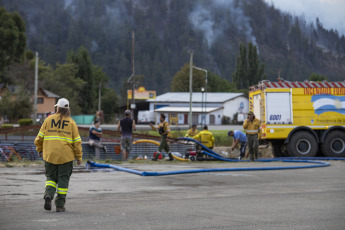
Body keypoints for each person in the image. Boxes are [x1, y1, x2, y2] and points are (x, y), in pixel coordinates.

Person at [34, 98, 83, 212]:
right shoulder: (71, 122)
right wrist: (79, 157)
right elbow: (77, 142)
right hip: (66, 156)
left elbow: (39, 138)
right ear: (67, 109)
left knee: (50, 178)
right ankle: (60, 205)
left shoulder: (48, 120)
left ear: (57, 108)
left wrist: (40, 150)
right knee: (63, 179)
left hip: (50, 154)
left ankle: (49, 195)